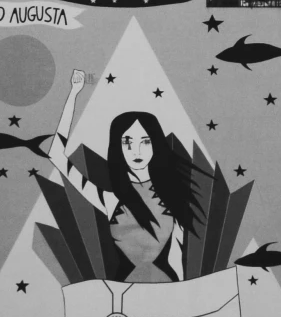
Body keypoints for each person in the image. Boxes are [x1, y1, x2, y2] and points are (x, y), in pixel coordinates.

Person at [49, 71, 199, 284]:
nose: (136, 151)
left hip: (166, 291)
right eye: (127, 142)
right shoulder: (111, 199)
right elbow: (55, 154)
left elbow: (176, 257)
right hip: (122, 294)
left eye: (145, 142)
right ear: (117, 147)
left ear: (156, 144)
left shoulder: (173, 197)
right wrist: (73, 93)